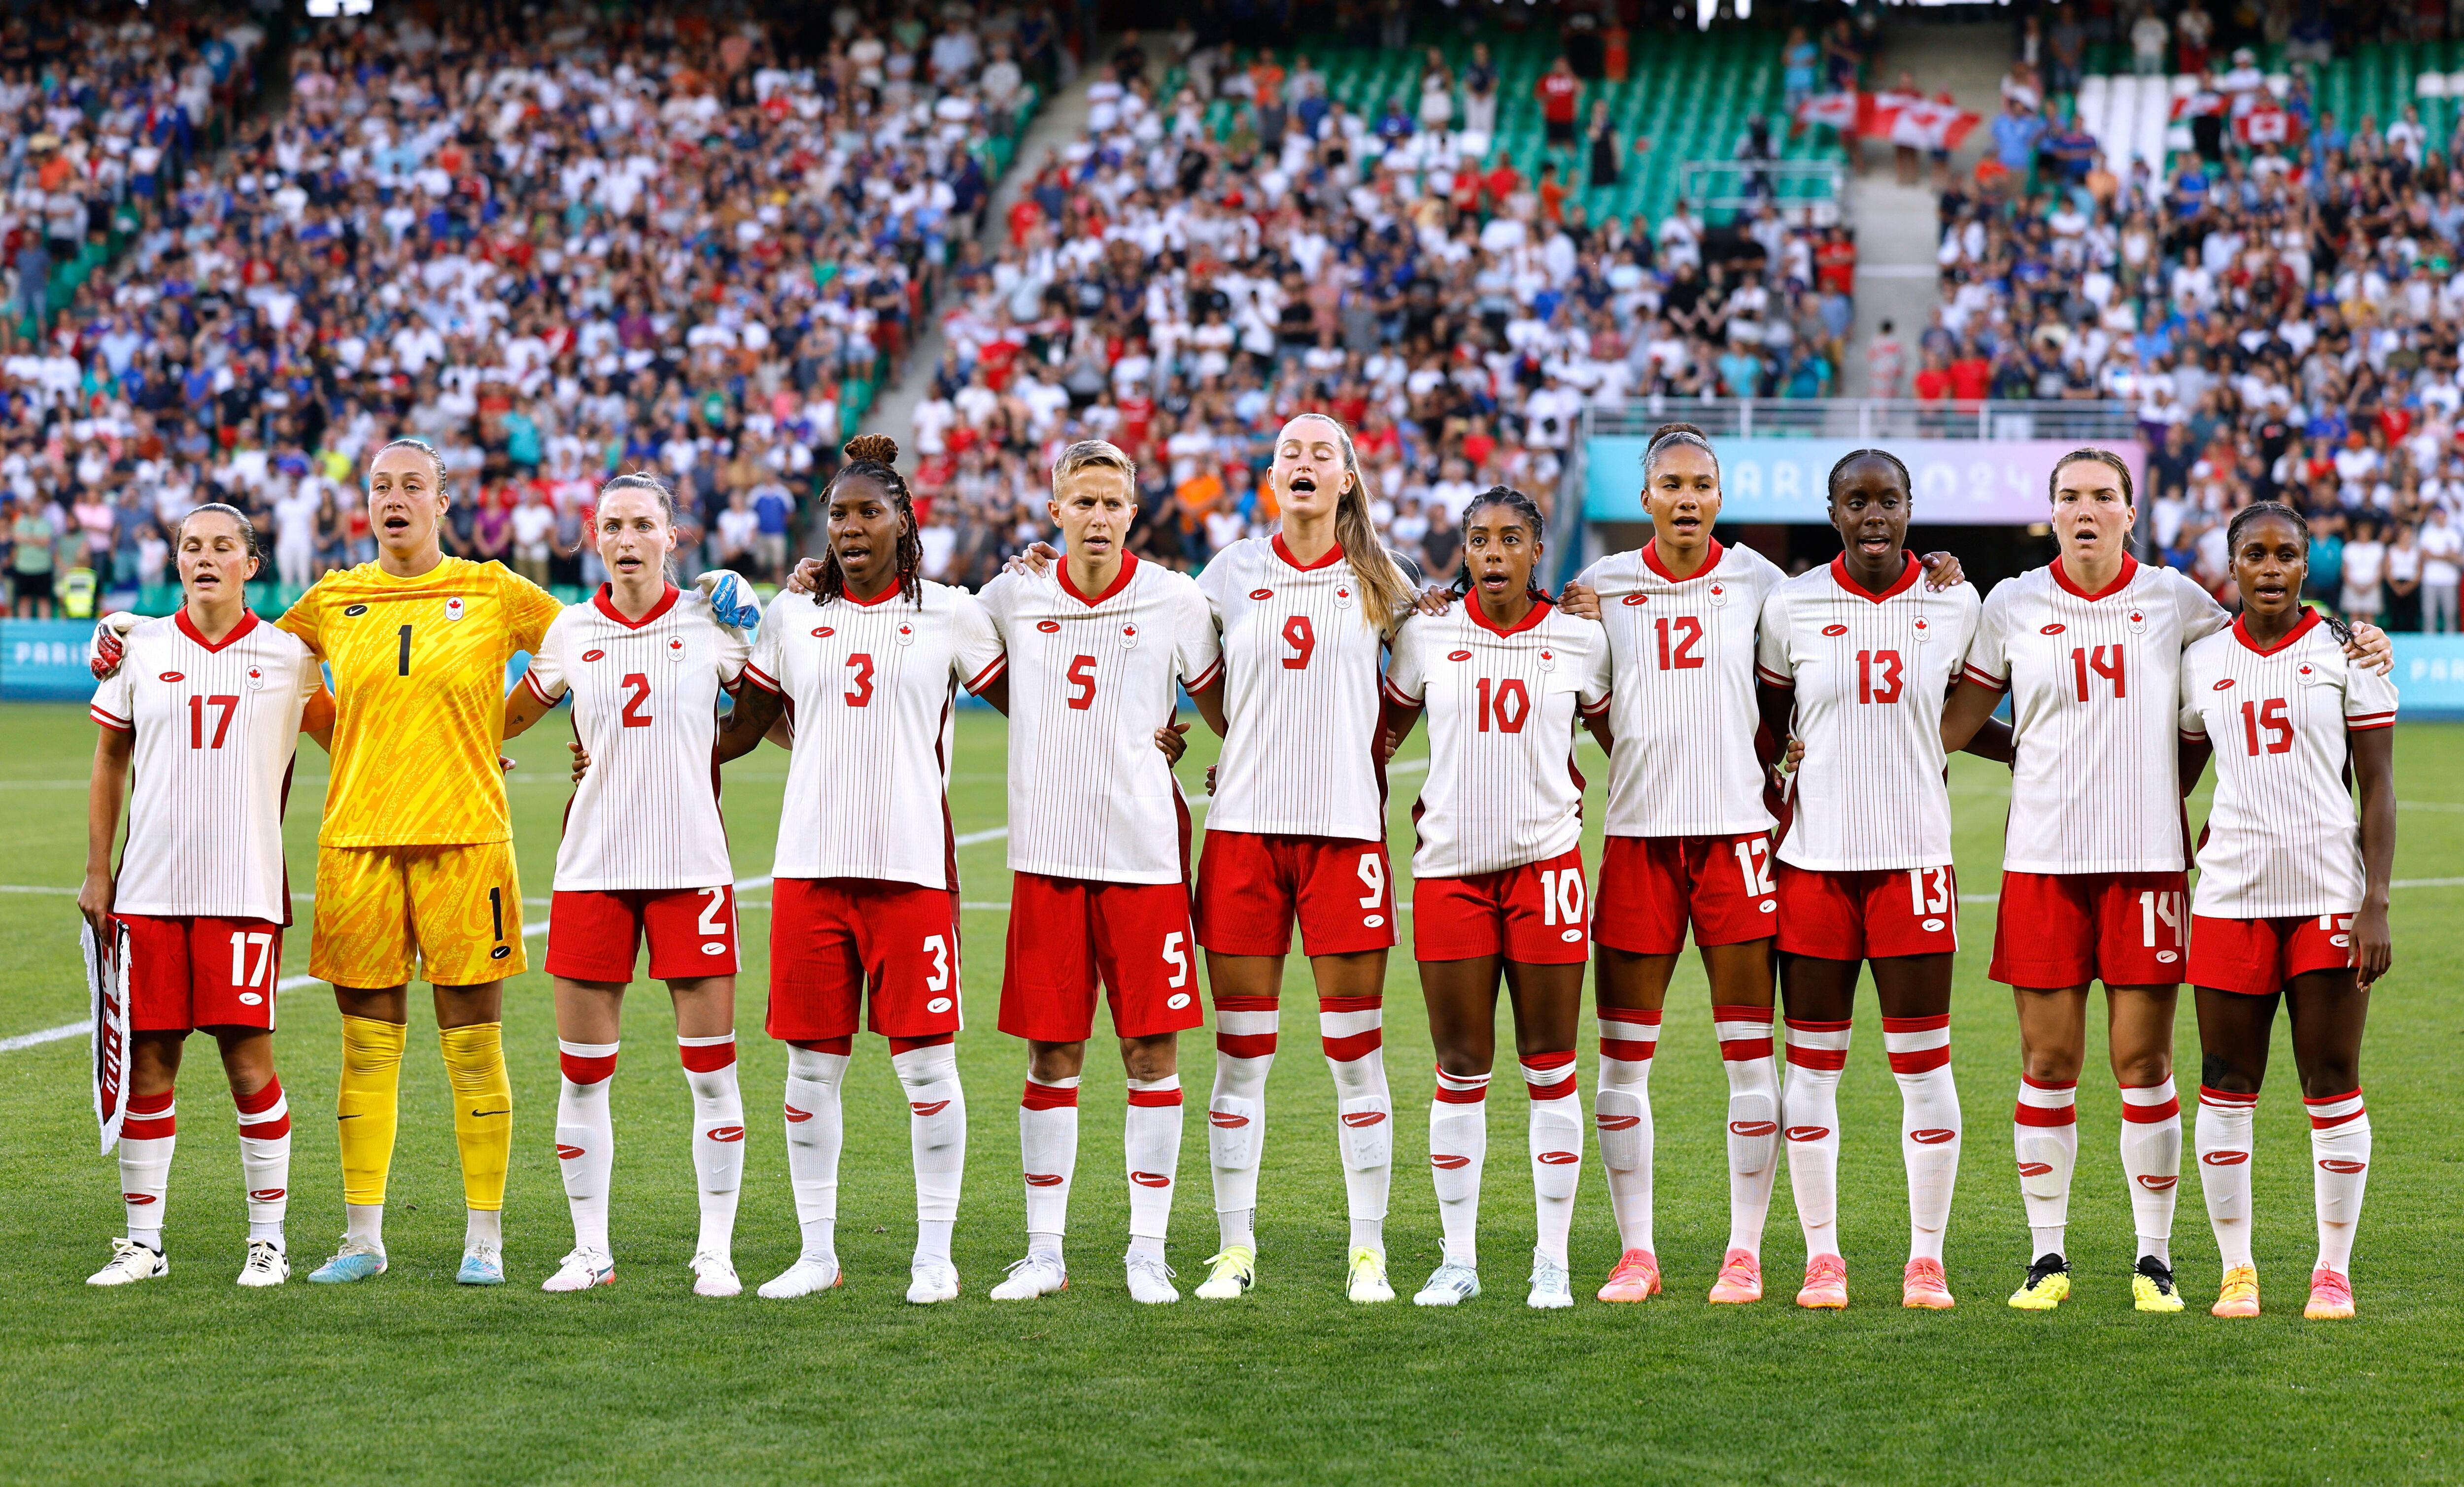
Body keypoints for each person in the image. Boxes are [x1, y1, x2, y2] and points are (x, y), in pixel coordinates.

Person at [1939, 449, 2391, 1314]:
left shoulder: (2176, 600)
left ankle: (2155, 1259)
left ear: (2129, 510)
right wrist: (2019, 746)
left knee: (2146, 1062)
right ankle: (2046, 1256)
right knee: (2048, 1061)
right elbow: (1961, 721)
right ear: (2052, 510)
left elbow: (2273, 629)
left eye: (2102, 496)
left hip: (2150, 861)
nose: (2086, 510)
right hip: (2042, 862)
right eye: (2070, 497)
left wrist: (2353, 631)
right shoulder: (2010, 602)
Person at [1556, 428, 1965, 1306]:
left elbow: (1781, 712)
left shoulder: (1766, 587)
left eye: (1703, 483)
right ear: (1647, 497)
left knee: (1753, 1060)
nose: (1689, 498)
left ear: (1720, 492)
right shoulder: (1603, 589)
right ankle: (1638, 1252)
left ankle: (1744, 1251)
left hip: (1742, 842)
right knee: (1623, 1060)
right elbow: (1582, 693)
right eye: (1672, 484)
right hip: (1637, 845)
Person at [272, 438, 566, 1285]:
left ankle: (485, 1240)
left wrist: (503, 722)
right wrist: (126, 634)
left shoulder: (491, 587)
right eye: (380, 487)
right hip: (358, 840)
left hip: (468, 838)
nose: (394, 497)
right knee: (366, 1046)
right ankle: (364, 1239)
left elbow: (584, 641)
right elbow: (271, 671)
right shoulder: (334, 597)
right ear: (366, 506)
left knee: (472, 1043)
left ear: (444, 501)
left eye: (413, 485)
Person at [722, 435, 1006, 1305]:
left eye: (867, 512)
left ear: (903, 520)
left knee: (926, 1068)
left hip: (912, 869)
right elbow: (747, 726)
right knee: (811, 1069)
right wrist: (649, 753)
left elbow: (1035, 699)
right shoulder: (792, 614)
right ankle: (817, 1252)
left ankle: (935, 1253)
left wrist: (1146, 732)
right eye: (838, 514)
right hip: (808, 869)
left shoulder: (952, 614)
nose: (850, 527)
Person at [972, 440, 1223, 1305]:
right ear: (1054, 513)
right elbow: (928, 629)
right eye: (1081, 502)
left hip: (1144, 858)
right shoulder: (1011, 593)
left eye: (1112, 503)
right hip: (1046, 856)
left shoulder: (1175, 599)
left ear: (1134, 512)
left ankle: (1145, 1249)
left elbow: (1229, 704)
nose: (1098, 517)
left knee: (1151, 1051)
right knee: (1053, 1053)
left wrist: (1198, 749)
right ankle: (1045, 1250)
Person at [499, 473, 756, 1297]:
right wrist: (471, 748)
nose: (628, 538)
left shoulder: (713, 622)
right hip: (592, 872)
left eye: (644, 524)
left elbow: (775, 712)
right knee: (582, 1071)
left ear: (672, 537)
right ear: (594, 536)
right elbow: (503, 714)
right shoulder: (571, 632)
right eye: (613, 525)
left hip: (692, 870)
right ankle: (589, 1250)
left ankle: (714, 1249)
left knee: (712, 1070)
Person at [79, 505, 331, 1287]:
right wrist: (98, 870)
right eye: (193, 546)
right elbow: (108, 763)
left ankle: (268, 1242)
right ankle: (143, 1244)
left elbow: (356, 740)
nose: (206, 558)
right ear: (178, 561)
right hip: (149, 888)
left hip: (245, 890)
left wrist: (462, 754)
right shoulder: (140, 646)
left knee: (248, 1063)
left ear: (252, 563)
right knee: (151, 1063)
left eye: (224, 546)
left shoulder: (290, 655)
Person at [1754, 450, 1980, 1311]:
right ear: (1834, 511)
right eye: (1858, 500)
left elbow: (1973, 711)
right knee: (1812, 1069)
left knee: (1924, 1067)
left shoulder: (1956, 600)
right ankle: (1823, 1256)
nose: (1875, 514)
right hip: (1814, 864)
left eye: (1889, 499)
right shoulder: (1793, 603)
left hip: (1915, 861)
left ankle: (1927, 1258)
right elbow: (1768, 723)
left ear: (1912, 507)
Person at [1380, 486, 1610, 1310]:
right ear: (1464, 551)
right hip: (1449, 874)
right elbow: (1375, 740)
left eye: (1511, 538)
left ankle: (1553, 1259)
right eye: (1480, 539)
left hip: (1546, 872)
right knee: (1460, 1068)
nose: (1493, 553)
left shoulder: (1581, 638)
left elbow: (1631, 740)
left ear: (1536, 550)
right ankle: (1459, 1258)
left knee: (1550, 1068)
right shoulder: (1427, 635)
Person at [2176, 502, 2396, 1321]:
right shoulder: (2202, 660)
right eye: (2254, 553)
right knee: (2227, 1083)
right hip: (2232, 892)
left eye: (2287, 554)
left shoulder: (2348, 651)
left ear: (2308, 565)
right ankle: (2238, 1268)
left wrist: (2375, 901)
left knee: (2331, 1080)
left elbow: (2377, 785)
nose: (2271, 568)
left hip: (2328, 895)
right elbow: (2180, 765)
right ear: (2232, 564)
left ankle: (2331, 1270)